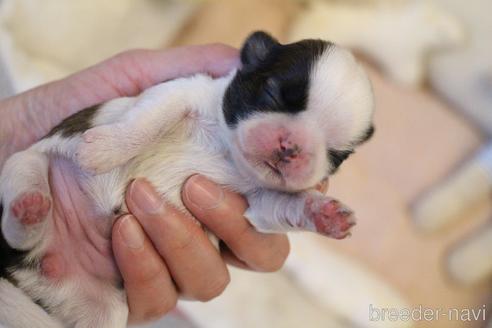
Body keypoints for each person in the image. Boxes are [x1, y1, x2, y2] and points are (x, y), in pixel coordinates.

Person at [0, 44, 291, 324]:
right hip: (57, 195)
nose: (288, 146)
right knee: (23, 166)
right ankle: (22, 226)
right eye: (280, 101)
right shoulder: (200, 94)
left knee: (111, 313)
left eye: (333, 151)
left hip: (93, 278)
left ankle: (24, 223)